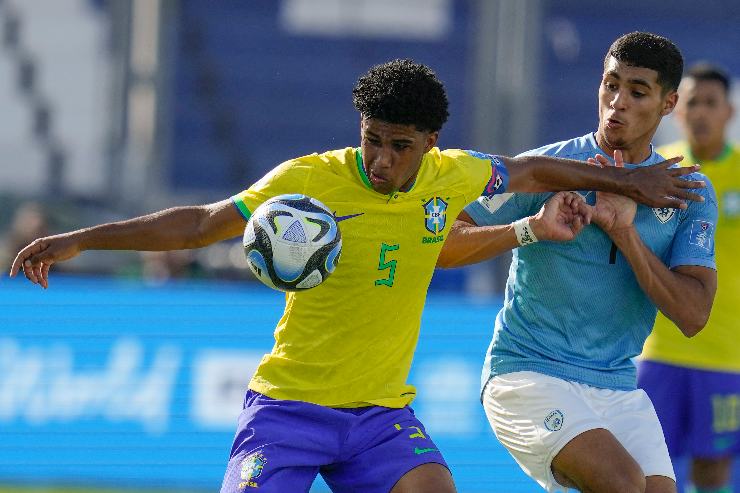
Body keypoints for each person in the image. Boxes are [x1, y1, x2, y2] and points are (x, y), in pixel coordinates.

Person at [11, 59, 702, 493]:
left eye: (400, 146)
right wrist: (80, 239)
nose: (382, 160)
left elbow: (528, 172)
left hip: (379, 416)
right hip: (288, 408)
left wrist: (630, 182)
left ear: (429, 144)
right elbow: (199, 224)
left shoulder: (452, 175)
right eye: (372, 139)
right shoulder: (309, 179)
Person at [438, 33, 718, 493]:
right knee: (621, 482)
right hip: (527, 371)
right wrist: (530, 228)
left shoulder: (686, 192)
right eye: (611, 85)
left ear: (668, 104)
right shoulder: (548, 167)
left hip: (616, 383)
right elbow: (443, 244)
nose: (617, 102)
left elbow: (693, 315)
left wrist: (625, 233)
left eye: (637, 92)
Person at [638, 63, 740, 493]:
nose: (701, 112)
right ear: (676, 109)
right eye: (693, 102)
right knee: (648, 467)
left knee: (712, 473)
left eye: (711, 103)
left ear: (728, 112)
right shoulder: (660, 171)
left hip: (725, 353)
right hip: (659, 347)